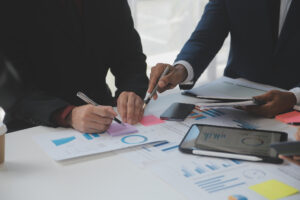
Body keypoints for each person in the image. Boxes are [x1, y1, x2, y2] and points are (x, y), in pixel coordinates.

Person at [1, 0, 148, 133]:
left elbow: (130, 58)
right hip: (33, 127)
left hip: (103, 118)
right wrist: (67, 114)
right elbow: (9, 87)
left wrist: (131, 90)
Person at [148, 0, 300, 118]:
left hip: (294, 112)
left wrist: (294, 97)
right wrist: (180, 70)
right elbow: (206, 37)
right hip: (237, 108)